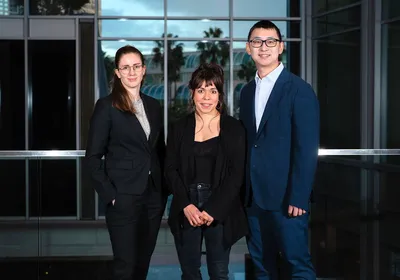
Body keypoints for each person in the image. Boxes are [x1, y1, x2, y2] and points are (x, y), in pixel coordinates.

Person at [239, 20, 320, 280]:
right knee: (262, 267)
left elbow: (306, 149)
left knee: (297, 265)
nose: (264, 47)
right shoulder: (247, 91)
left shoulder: (299, 90)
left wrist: (299, 196)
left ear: (281, 47)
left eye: (270, 41)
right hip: (253, 199)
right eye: (257, 42)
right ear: (248, 48)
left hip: (287, 199)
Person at [85, 45, 167, 280]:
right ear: (117, 72)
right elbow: (92, 158)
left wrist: (163, 192)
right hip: (123, 198)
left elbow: (157, 151)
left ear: (143, 70)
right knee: (125, 266)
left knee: (142, 265)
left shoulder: (153, 105)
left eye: (136, 66)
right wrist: (111, 194)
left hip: (152, 198)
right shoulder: (106, 106)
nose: (131, 72)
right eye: (125, 67)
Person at [165, 63, 248, 280]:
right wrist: (186, 205)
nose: (206, 97)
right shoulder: (178, 127)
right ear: (192, 94)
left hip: (220, 206)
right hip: (187, 206)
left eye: (212, 91)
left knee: (219, 273)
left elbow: (236, 174)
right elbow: (170, 168)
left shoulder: (234, 128)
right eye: (200, 90)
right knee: (190, 272)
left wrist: (214, 209)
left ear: (220, 95)